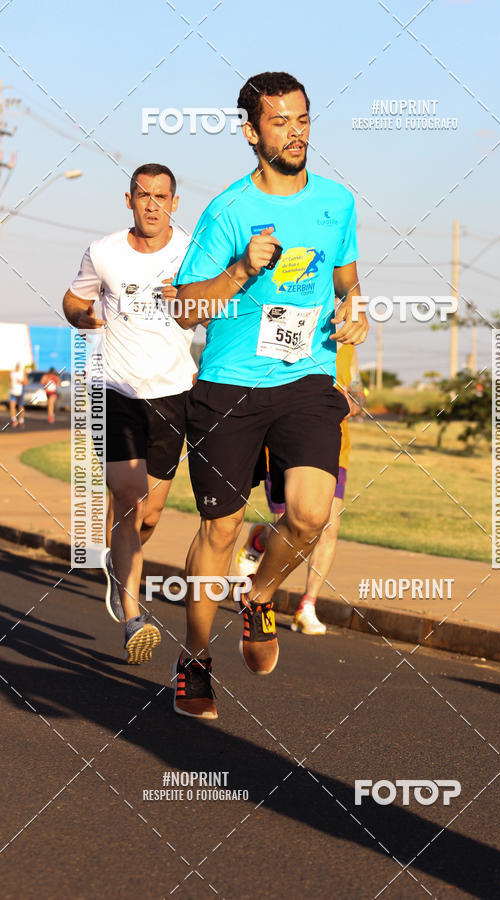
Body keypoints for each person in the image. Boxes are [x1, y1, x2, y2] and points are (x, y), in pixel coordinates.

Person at [172, 71, 368, 718]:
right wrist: (240, 269)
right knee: (221, 528)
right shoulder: (227, 211)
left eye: (303, 119)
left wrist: (355, 311)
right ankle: (196, 658)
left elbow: (345, 280)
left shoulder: (337, 202)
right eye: (280, 122)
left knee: (312, 514)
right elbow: (183, 308)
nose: (295, 132)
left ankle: (258, 596)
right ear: (253, 132)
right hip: (230, 385)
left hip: (307, 378)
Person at [62, 163, 195, 664]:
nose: (153, 204)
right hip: (114, 389)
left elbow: (217, 303)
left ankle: (120, 568)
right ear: (129, 199)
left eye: (162, 196)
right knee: (130, 496)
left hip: (172, 392)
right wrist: (83, 315)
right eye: (143, 195)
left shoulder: (191, 252)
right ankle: (133, 612)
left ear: (174, 203)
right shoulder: (104, 252)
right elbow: (74, 298)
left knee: (149, 513)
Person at [237, 345, 365, 635]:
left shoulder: (347, 345)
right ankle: (261, 542)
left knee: (328, 526)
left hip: (334, 447)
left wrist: (351, 402)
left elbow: (359, 393)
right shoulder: (294, 328)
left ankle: (307, 606)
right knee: (293, 524)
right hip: (285, 445)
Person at [9, 362, 27, 427]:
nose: (17, 367)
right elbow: (10, 381)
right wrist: (10, 383)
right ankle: (14, 420)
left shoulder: (22, 372)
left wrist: (20, 381)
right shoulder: (12, 373)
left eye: (18, 366)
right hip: (12, 392)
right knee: (12, 406)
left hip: (20, 392)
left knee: (20, 407)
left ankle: (21, 421)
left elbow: (26, 382)